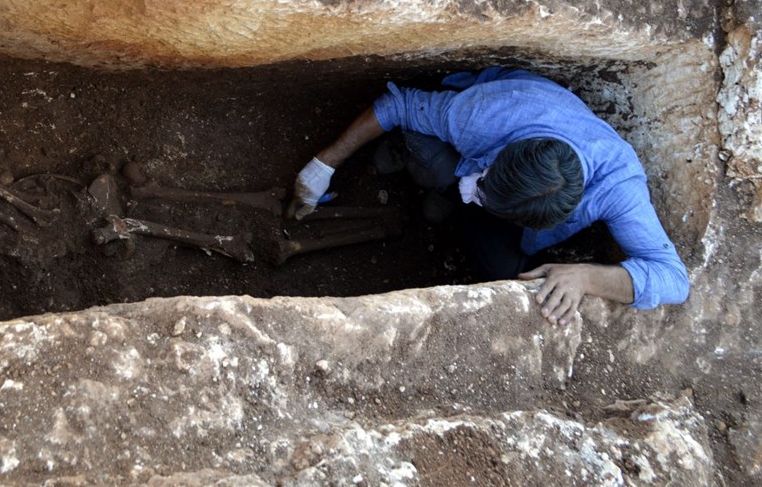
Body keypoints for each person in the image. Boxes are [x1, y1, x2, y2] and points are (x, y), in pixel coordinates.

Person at [290, 67, 689, 325]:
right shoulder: (488, 117)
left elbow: (673, 279)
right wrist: (323, 165)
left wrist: (587, 277)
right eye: (484, 188)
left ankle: (454, 202)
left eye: (485, 197)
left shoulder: (619, 185)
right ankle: (422, 166)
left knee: (506, 275)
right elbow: (400, 104)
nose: (476, 194)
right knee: (433, 164)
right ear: (507, 154)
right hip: (465, 146)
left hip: (502, 194)